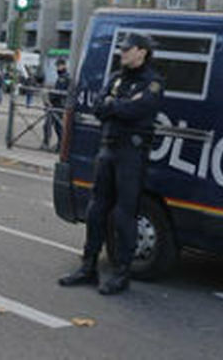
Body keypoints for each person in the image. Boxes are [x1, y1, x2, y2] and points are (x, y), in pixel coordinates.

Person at [59, 33, 163, 295]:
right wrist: (118, 105)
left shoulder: (153, 83)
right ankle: (88, 266)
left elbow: (138, 110)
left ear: (142, 52)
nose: (122, 53)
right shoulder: (116, 78)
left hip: (131, 153)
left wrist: (114, 106)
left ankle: (121, 273)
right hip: (108, 149)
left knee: (125, 214)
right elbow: (98, 107)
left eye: (128, 50)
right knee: (96, 210)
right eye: (122, 49)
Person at [42, 59, 73, 150]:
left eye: (58, 66)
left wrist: (50, 99)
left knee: (54, 126)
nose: (57, 68)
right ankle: (58, 145)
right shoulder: (62, 77)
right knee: (55, 126)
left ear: (63, 66)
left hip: (57, 105)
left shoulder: (64, 78)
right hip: (57, 105)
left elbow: (59, 92)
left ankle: (54, 144)